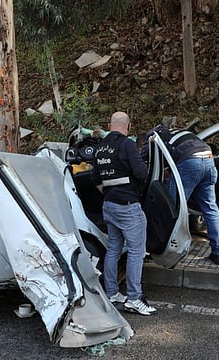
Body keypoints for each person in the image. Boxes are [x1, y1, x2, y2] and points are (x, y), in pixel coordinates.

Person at [91, 111, 156, 316]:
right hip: (128, 205)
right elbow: (141, 172)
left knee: (113, 249)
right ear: (127, 126)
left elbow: (95, 178)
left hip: (109, 204)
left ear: (110, 125)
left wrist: (110, 192)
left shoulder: (100, 148)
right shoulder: (127, 144)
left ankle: (111, 293)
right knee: (137, 251)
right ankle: (135, 299)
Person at [141, 124, 219, 265]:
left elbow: (143, 160)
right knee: (210, 209)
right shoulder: (178, 133)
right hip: (209, 159)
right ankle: (218, 253)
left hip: (190, 163)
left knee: (172, 210)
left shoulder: (154, 137)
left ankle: (168, 252)